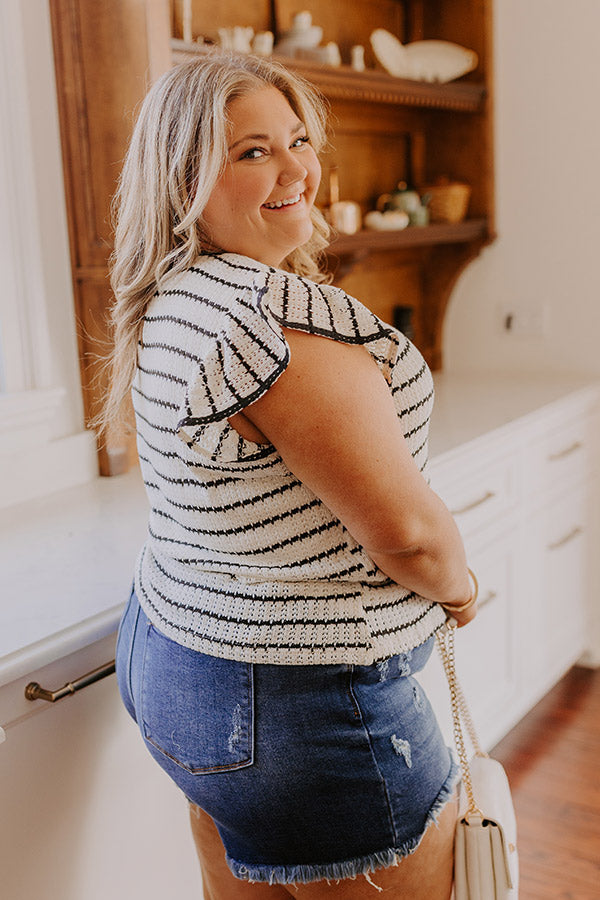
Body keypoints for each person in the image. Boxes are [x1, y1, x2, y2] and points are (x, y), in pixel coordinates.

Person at [102, 51, 477, 899]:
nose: (297, 169)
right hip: (301, 706)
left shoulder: (173, 295)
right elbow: (409, 536)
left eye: (298, 140)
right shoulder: (273, 328)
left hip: (177, 666)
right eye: (252, 151)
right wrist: (460, 588)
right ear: (183, 180)